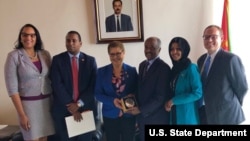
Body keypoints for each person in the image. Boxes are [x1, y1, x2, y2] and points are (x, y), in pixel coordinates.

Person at [4, 23, 55, 141]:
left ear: (36, 37)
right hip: (28, 107)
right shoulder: (13, 56)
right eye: (25, 35)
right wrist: (22, 115)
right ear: (20, 37)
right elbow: (12, 89)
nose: (28, 38)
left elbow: (52, 78)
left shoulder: (45, 54)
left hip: (47, 105)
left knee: (44, 138)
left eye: (32, 35)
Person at [50, 31, 97, 141]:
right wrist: (72, 106)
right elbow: (57, 84)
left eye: (74, 40)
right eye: (68, 40)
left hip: (85, 109)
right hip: (63, 110)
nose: (71, 43)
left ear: (80, 43)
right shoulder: (57, 60)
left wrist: (79, 104)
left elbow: (93, 85)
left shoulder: (90, 61)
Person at [197, 25, 248, 124]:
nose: (209, 40)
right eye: (206, 37)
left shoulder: (230, 59)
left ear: (221, 38)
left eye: (213, 37)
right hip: (206, 113)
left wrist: (229, 104)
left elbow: (242, 87)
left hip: (227, 115)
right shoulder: (201, 60)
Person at [127, 37, 171, 141]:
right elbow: (141, 88)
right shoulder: (142, 65)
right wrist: (133, 96)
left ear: (159, 50)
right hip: (143, 119)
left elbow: (160, 97)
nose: (148, 50)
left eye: (152, 47)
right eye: (146, 47)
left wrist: (140, 110)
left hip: (157, 118)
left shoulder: (164, 68)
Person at [95, 41, 137, 141]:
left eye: (118, 53)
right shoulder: (101, 72)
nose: (115, 57)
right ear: (109, 55)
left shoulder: (132, 71)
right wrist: (112, 101)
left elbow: (138, 91)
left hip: (128, 115)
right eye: (112, 54)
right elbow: (97, 94)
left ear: (124, 53)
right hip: (110, 115)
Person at [164, 37, 202, 125]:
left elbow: (197, 93)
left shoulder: (191, 68)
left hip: (187, 115)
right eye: (172, 49)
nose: (174, 52)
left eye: (178, 49)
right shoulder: (173, 69)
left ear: (184, 50)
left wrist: (174, 101)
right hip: (173, 114)